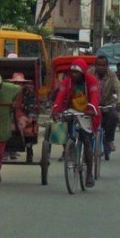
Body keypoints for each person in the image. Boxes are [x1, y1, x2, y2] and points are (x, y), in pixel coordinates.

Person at [52, 58, 101, 187]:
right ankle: (69, 148)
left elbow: (95, 96)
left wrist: (92, 109)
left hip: (87, 112)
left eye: (76, 73)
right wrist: (56, 110)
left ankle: (89, 174)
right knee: (61, 125)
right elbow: (61, 95)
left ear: (83, 73)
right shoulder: (67, 82)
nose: (73, 75)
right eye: (71, 72)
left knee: (87, 140)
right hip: (72, 110)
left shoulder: (91, 81)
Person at [88, 55, 120, 152]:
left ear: (107, 66)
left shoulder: (112, 75)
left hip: (107, 104)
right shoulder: (89, 73)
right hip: (91, 104)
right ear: (95, 65)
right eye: (98, 65)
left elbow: (119, 89)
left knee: (113, 116)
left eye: (103, 65)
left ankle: (109, 140)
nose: (100, 67)